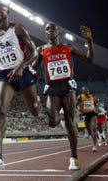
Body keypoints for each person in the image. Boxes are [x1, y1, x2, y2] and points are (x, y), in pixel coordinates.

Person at [0, 3, 41, 172]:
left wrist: (20, 67)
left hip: (23, 72)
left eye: (0, 9)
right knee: (0, 110)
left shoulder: (17, 28)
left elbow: (33, 52)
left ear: (7, 12)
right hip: (5, 75)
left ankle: (37, 102)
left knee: (35, 112)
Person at [33, 22, 94, 170]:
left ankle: (74, 157)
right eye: (47, 29)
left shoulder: (69, 47)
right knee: (53, 122)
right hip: (52, 88)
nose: (50, 31)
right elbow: (33, 69)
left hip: (68, 87)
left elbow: (89, 60)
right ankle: (59, 115)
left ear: (58, 31)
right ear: (45, 33)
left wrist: (90, 42)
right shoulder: (41, 50)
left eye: (53, 28)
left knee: (70, 122)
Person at [76, 87, 99, 152]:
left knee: (93, 128)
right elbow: (75, 105)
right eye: (83, 91)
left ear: (88, 90)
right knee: (89, 129)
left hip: (92, 113)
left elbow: (96, 105)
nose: (85, 91)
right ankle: (90, 134)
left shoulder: (92, 97)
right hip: (85, 114)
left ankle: (94, 146)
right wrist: (79, 112)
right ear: (82, 91)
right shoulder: (80, 97)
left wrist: (97, 109)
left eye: (86, 90)